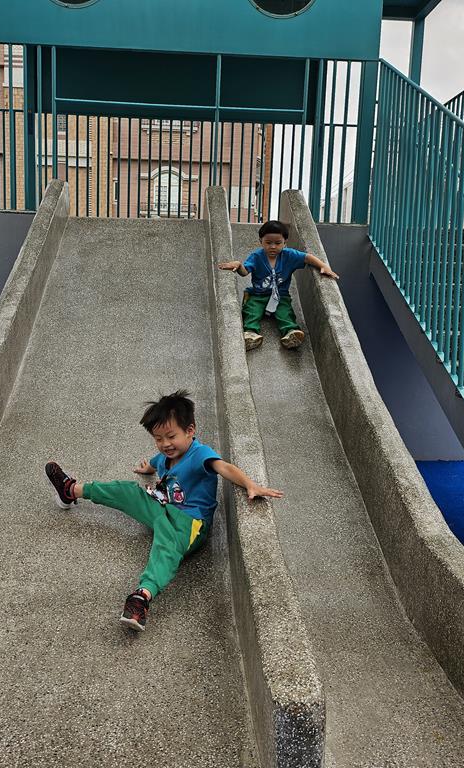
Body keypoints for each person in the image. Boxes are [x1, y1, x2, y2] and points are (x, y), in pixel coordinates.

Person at [44, 390, 282, 631]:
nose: (165, 444)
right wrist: (147, 468)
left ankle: (141, 597)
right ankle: (70, 490)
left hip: (189, 523)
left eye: (171, 436)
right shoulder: (165, 456)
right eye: (158, 438)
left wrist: (250, 484)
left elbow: (224, 468)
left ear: (190, 430)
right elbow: (155, 462)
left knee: (165, 546)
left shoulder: (199, 453)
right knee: (127, 491)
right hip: (162, 507)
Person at [217, 219, 340, 351]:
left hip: (280, 296)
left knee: (285, 312)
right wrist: (239, 265)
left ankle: (290, 333)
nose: (273, 247)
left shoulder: (289, 255)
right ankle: (250, 334)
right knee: (251, 310)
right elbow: (245, 272)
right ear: (261, 241)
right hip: (258, 295)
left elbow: (307, 257)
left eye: (277, 243)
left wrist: (323, 266)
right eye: (268, 243)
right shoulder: (256, 257)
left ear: (284, 242)